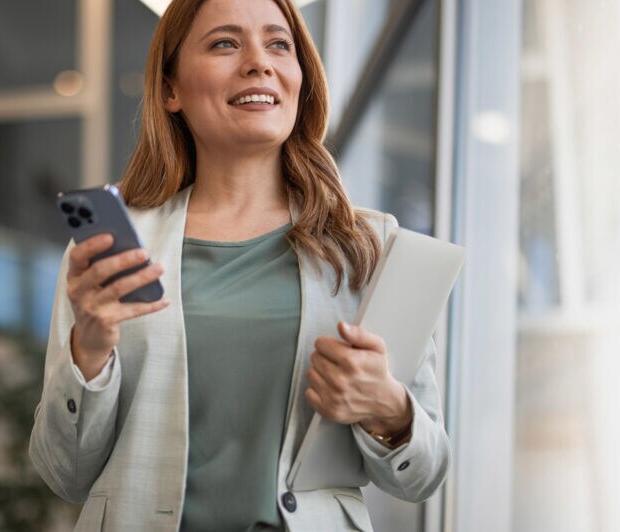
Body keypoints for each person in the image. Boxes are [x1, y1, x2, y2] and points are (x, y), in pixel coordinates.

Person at [29, 0, 449, 530]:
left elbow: (424, 474)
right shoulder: (112, 251)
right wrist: (88, 349)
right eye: (225, 43)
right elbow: (62, 473)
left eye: (278, 43)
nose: (259, 62)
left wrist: (390, 410)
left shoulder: (368, 247)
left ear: (301, 77)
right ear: (170, 90)